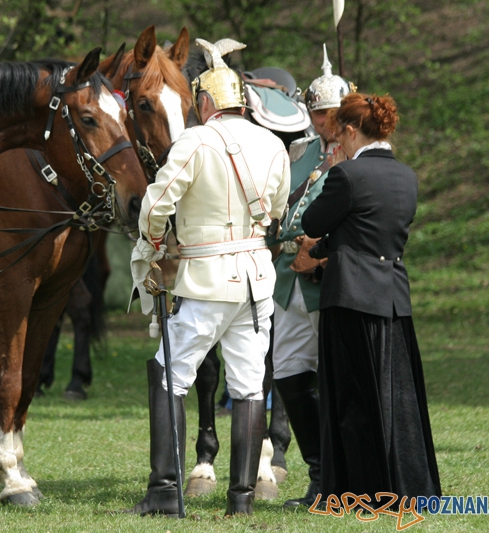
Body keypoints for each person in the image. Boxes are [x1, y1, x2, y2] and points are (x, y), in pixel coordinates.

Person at [127, 38, 290, 517]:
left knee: (167, 372)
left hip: (205, 279)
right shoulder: (272, 143)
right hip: (257, 282)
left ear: (204, 102)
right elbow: (276, 211)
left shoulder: (195, 140)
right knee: (247, 385)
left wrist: (154, 243)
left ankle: (164, 491)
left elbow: (156, 205)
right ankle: (240, 501)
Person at [302, 93, 441, 504]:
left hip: (349, 297)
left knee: (353, 399)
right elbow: (369, 231)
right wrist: (329, 246)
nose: (337, 144)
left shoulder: (347, 176)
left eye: (338, 135)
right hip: (394, 295)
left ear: (349, 130)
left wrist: (333, 175)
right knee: (398, 398)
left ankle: (358, 489)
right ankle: (408, 485)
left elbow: (313, 220)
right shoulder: (407, 177)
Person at [266, 44, 353, 509]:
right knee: (288, 373)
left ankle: (342, 477)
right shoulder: (297, 151)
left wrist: (318, 252)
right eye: (319, 113)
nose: (326, 121)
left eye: (334, 112)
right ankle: (319, 474)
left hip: (331, 279)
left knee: (335, 376)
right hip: (287, 280)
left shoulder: (358, 159)